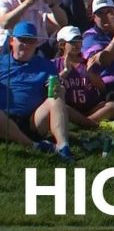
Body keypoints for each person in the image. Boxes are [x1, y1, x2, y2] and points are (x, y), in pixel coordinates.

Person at [0, 21, 73, 162]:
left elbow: (53, 91)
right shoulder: (1, 62)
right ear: (11, 41)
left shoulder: (45, 65)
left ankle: (63, 147)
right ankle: (34, 145)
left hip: (32, 120)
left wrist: (59, 91)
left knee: (56, 98)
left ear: (36, 44)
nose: (26, 45)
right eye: (22, 40)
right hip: (4, 117)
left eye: (31, 41)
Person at [54, 26, 114, 128]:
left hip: (90, 109)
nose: (77, 44)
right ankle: (88, 124)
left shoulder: (88, 62)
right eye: (72, 42)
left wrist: (90, 73)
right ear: (62, 44)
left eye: (79, 41)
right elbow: (50, 87)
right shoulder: (55, 64)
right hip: (69, 109)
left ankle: (83, 122)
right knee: (60, 107)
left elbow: (102, 88)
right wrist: (65, 71)